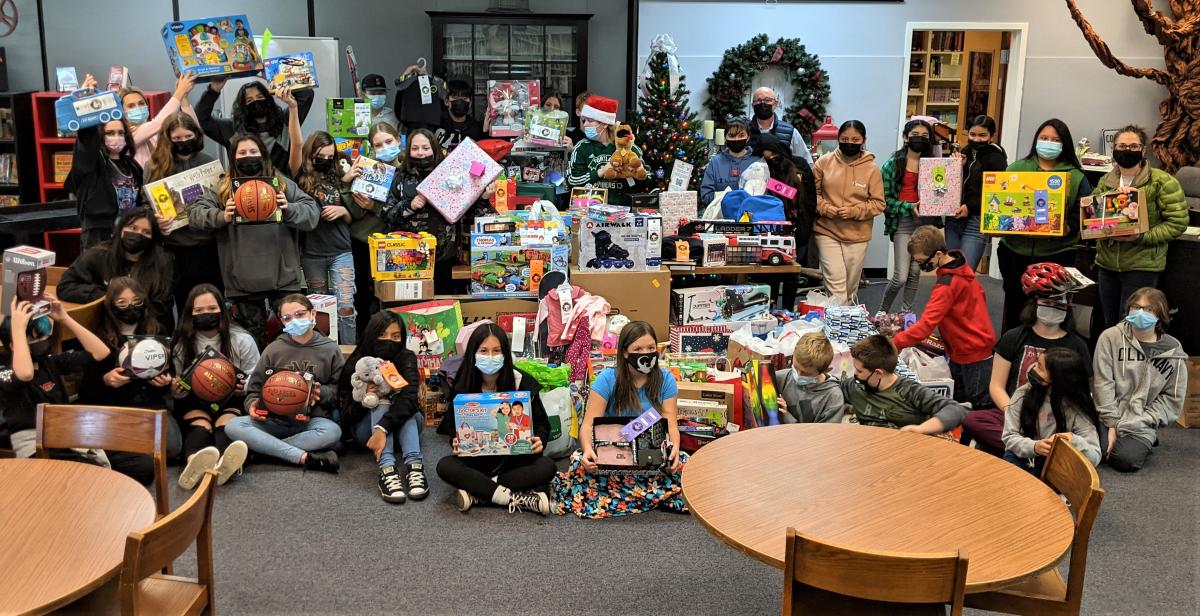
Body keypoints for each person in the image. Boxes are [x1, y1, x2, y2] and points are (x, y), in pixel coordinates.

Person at [190, 133, 319, 348]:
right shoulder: (223, 188)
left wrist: (289, 208)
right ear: (233, 158)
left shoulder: (282, 185)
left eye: (253, 152)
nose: (248, 156)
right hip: (242, 284)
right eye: (242, 153)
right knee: (251, 344)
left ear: (263, 155)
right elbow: (195, 215)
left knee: (292, 343)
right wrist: (222, 216)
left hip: (284, 280)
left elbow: (312, 213)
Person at [552, 321, 687, 518]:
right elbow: (588, 423)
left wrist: (674, 447)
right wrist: (588, 450)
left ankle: (620, 496)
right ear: (625, 353)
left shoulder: (665, 379)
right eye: (638, 349)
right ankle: (649, 494)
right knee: (578, 461)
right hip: (613, 454)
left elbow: (670, 422)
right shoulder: (608, 378)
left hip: (651, 454)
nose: (646, 353)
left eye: (651, 348)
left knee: (686, 464)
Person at [961, 262, 1091, 457]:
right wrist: (1015, 415)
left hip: (1057, 419)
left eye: (1059, 303)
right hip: (1014, 413)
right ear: (1034, 303)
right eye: (1047, 302)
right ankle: (1039, 452)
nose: (1054, 307)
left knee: (1093, 440)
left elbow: (1084, 393)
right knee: (973, 420)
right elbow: (996, 386)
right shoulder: (1013, 338)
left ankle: (1026, 450)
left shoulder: (1077, 345)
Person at [435, 323, 557, 515]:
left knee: (547, 466)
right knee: (445, 466)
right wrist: (456, 442)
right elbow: (453, 428)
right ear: (473, 353)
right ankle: (514, 496)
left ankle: (481, 492)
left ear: (505, 354)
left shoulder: (521, 381)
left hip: (515, 460)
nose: (490, 357)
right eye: (483, 351)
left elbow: (542, 425)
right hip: (477, 462)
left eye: (496, 351)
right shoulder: (463, 382)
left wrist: (539, 440)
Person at [78, 276, 182, 483]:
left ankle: (137, 448)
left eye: (136, 301)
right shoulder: (99, 335)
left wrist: (165, 381)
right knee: (146, 456)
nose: (130, 307)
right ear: (111, 306)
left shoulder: (157, 331)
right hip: (114, 408)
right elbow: (85, 392)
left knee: (172, 448)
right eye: (122, 303)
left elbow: (168, 372)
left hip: (151, 404)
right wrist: (106, 380)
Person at [224, 294, 344, 473]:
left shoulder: (330, 349)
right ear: (282, 321)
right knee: (233, 426)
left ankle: (263, 451)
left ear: (313, 314)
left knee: (333, 432)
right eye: (287, 318)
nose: (294, 321)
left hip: (310, 421)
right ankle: (302, 456)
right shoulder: (273, 349)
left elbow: (340, 392)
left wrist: (321, 393)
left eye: (300, 314)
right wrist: (252, 406)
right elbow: (254, 390)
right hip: (274, 420)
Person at [997, 119, 1090, 332]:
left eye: (1056, 140)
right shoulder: (1017, 169)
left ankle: (1047, 357)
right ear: (1036, 140)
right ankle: (1011, 354)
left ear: (1064, 144)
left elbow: (1083, 214)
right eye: (1044, 138)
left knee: (1051, 311)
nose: (1049, 143)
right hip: (1015, 252)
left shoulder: (1076, 177)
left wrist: (1066, 228)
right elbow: (1001, 203)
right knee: (1014, 306)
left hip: (1056, 254)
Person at [1092, 125, 1187, 329]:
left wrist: (1141, 236)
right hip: (1107, 265)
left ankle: (1131, 361)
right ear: (1114, 149)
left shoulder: (1162, 181)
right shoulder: (1106, 181)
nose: (1127, 150)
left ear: (1143, 151)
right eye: (1122, 145)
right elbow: (1091, 218)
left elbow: (1177, 223)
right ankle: (1109, 361)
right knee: (1109, 324)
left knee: (1132, 325)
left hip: (1142, 266)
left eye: (1134, 146)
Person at [892, 226, 997, 411]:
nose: (920, 265)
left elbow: (925, 326)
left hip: (972, 351)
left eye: (922, 261)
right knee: (962, 402)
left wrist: (894, 343)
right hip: (966, 346)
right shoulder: (962, 268)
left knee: (979, 406)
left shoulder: (947, 285)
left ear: (938, 254)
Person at [385, 128, 496, 295]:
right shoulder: (400, 177)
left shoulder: (453, 175)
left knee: (443, 305)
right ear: (408, 151)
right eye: (415, 149)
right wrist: (409, 205)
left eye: (425, 148)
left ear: (435, 149)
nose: (421, 153)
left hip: (445, 258)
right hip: (408, 259)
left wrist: (484, 197)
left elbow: (470, 216)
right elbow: (387, 215)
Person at [0, 294, 110, 458]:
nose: (44, 342)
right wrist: (18, 329)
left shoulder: (49, 362)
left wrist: (65, 318)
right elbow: (25, 374)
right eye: (36, 339)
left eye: (45, 336)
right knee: (86, 470)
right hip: (33, 445)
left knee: (139, 464)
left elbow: (101, 352)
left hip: (63, 432)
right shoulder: (5, 372)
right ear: (14, 344)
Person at [171, 284, 257, 489]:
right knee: (201, 427)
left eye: (211, 309)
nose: (205, 314)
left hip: (231, 398)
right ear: (190, 313)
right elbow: (177, 381)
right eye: (199, 310)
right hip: (195, 400)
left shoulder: (242, 339)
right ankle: (193, 464)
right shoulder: (182, 344)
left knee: (225, 425)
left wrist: (243, 387)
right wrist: (176, 391)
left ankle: (223, 467)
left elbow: (256, 377)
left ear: (222, 309)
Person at [1093, 288, 1187, 472]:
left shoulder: (1173, 350)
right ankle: (1118, 437)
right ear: (1128, 309)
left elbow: (1172, 398)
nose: (1141, 313)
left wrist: (1144, 420)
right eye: (1136, 307)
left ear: (1160, 315)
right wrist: (1112, 423)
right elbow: (1103, 382)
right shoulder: (1110, 337)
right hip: (1107, 414)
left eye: (1149, 309)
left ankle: (1145, 439)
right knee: (1099, 452)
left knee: (1125, 460)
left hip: (1142, 421)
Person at [340, 311, 424, 503]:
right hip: (366, 433)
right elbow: (347, 416)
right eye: (382, 335)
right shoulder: (359, 362)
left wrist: (382, 428)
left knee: (406, 406)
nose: (389, 341)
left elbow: (410, 398)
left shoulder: (406, 357)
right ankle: (387, 470)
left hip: (401, 429)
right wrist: (366, 397)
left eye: (396, 336)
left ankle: (415, 468)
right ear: (371, 335)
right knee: (380, 400)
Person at [143, 112, 223, 314]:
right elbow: (144, 206)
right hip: (175, 248)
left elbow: (222, 198)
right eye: (177, 138)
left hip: (209, 246)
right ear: (167, 138)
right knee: (185, 304)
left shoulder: (208, 161)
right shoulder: (154, 166)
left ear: (196, 135)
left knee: (214, 302)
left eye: (188, 137)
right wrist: (155, 220)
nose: (183, 142)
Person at [56, 207, 175, 332]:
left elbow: (161, 307)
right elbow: (65, 286)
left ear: (153, 238)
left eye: (146, 232)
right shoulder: (98, 254)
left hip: (147, 331)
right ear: (121, 228)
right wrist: (108, 296)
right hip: (105, 328)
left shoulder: (163, 262)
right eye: (133, 228)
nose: (138, 234)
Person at [812, 120, 885, 305]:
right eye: (844, 139)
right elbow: (812, 194)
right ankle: (838, 325)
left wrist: (854, 211)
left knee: (850, 288)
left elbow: (878, 203)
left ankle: (844, 324)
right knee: (836, 286)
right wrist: (826, 208)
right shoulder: (824, 162)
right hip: (826, 230)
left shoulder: (872, 169)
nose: (849, 143)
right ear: (838, 139)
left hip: (858, 234)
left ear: (863, 140)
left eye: (855, 139)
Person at [67, 74, 143, 248]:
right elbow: (86, 141)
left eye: (120, 132)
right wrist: (86, 103)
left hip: (128, 236)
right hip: (99, 238)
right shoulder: (92, 164)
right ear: (101, 136)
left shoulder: (132, 165)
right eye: (110, 133)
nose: (116, 137)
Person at [295, 131, 356, 345]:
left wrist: (343, 211)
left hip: (341, 250)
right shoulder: (299, 176)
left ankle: (349, 350)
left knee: (346, 306)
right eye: (321, 156)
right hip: (312, 252)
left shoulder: (338, 174)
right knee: (319, 310)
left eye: (330, 157)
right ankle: (323, 351)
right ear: (311, 153)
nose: (326, 161)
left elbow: (351, 217)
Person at [1002, 348, 1103, 475]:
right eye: (1036, 364)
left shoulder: (1077, 407)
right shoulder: (1023, 393)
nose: (1033, 369)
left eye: (1040, 368)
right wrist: (1034, 446)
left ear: (1058, 378)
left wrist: (1074, 441)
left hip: (1059, 463)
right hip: (1023, 456)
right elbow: (1009, 436)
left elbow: (1094, 458)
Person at [842, 335, 966, 434]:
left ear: (878, 373)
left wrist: (920, 429)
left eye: (859, 371)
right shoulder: (854, 386)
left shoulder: (909, 391)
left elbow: (956, 410)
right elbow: (831, 389)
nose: (855, 374)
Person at [345, 123, 402, 334]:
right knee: (361, 295)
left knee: (390, 294)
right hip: (362, 240)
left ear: (398, 140)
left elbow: (405, 212)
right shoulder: (366, 169)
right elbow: (353, 211)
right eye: (378, 145)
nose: (385, 147)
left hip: (393, 244)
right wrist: (348, 182)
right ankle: (363, 337)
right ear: (372, 147)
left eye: (389, 142)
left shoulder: (407, 169)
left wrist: (374, 206)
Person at [196, 78, 314, 176]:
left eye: (260, 97)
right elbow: (202, 119)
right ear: (243, 106)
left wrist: (274, 77)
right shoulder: (232, 128)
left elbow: (306, 94)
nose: (256, 102)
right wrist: (213, 90)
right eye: (249, 100)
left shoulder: (286, 121)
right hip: (243, 190)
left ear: (268, 99)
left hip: (282, 188)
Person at [879, 119, 936, 313]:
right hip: (902, 222)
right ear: (905, 137)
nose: (920, 140)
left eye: (925, 137)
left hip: (925, 223)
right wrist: (908, 207)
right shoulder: (892, 165)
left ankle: (906, 315)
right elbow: (884, 201)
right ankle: (882, 311)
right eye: (915, 136)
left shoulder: (934, 164)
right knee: (901, 275)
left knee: (915, 272)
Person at [758, 132, 817, 306]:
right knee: (771, 274)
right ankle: (771, 309)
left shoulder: (799, 164)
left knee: (792, 274)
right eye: (767, 156)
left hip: (799, 226)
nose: (771, 159)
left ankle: (788, 311)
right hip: (771, 229)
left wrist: (806, 227)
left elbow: (809, 197)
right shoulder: (762, 168)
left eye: (774, 154)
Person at [948, 115, 1007, 271]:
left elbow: (995, 192)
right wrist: (956, 166)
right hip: (954, 218)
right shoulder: (965, 151)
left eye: (982, 135)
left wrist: (970, 206)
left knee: (966, 271)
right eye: (973, 134)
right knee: (951, 268)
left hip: (976, 219)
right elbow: (951, 183)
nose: (977, 139)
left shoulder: (996, 158)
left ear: (992, 136)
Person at [566, 95, 648, 206]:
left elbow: (648, 178)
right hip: (591, 211)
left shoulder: (628, 147)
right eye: (584, 120)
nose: (585, 125)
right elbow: (572, 181)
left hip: (624, 211)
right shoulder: (581, 147)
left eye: (590, 121)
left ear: (604, 124)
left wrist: (637, 172)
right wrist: (600, 172)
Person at [120, 72, 199, 167]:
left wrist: (184, 98)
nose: (138, 108)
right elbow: (158, 123)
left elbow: (193, 130)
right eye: (131, 106)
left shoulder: (156, 132)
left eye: (141, 104)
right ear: (122, 111)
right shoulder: (125, 136)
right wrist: (179, 92)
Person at [775, 332, 844, 424]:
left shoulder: (833, 398)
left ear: (825, 370)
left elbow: (824, 436)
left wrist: (786, 416)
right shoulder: (780, 378)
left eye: (805, 373)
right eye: (795, 367)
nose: (798, 375)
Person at [700, 117, 762, 206]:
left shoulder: (758, 161)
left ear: (748, 137)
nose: (736, 139)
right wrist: (729, 199)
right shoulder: (715, 162)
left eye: (741, 135)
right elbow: (706, 195)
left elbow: (765, 193)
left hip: (752, 216)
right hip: (722, 216)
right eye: (732, 136)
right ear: (725, 138)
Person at [747, 86, 813, 165]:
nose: (762, 103)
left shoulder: (790, 132)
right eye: (758, 100)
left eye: (767, 100)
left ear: (775, 104)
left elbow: (806, 162)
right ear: (753, 105)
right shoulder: (744, 131)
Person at [437, 79, 485, 151]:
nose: (459, 102)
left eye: (464, 98)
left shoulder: (476, 128)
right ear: (446, 101)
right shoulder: (436, 124)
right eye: (455, 98)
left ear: (470, 102)